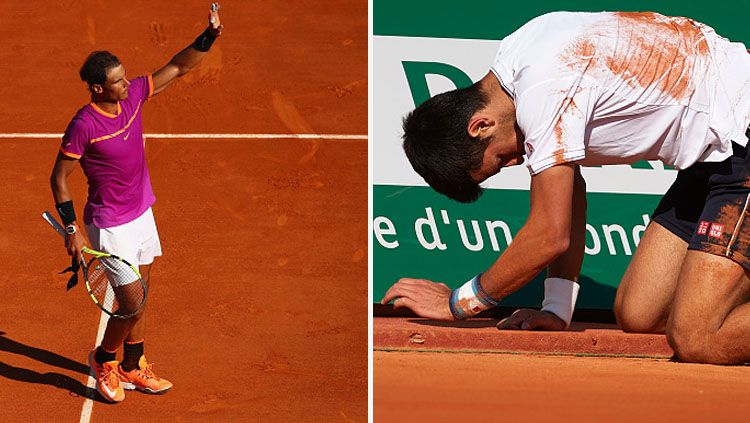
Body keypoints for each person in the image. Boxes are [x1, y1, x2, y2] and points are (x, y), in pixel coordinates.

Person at [381, 11, 750, 365]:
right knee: (639, 314)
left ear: (480, 126)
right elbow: (568, 190)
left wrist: (458, 303)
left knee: (698, 336)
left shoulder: (543, 89)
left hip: (741, 135)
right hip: (710, 156)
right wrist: (556, 309)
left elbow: (549, 234)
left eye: (498, 161)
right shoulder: (516, 60)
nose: (515, 163)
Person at [50, 4, 224, 402]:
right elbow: (59, 177)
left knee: (142, 291)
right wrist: (72, 230)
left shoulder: (131, 98)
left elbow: (177, 67)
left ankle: (133, 364)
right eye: (117, 81)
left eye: (125, 77)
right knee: (131, 302)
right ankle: (104, 358)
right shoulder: (84, 125)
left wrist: (209, 35)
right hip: (109, 222)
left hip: (142, 211)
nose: (127, 84)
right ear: (98, 88)